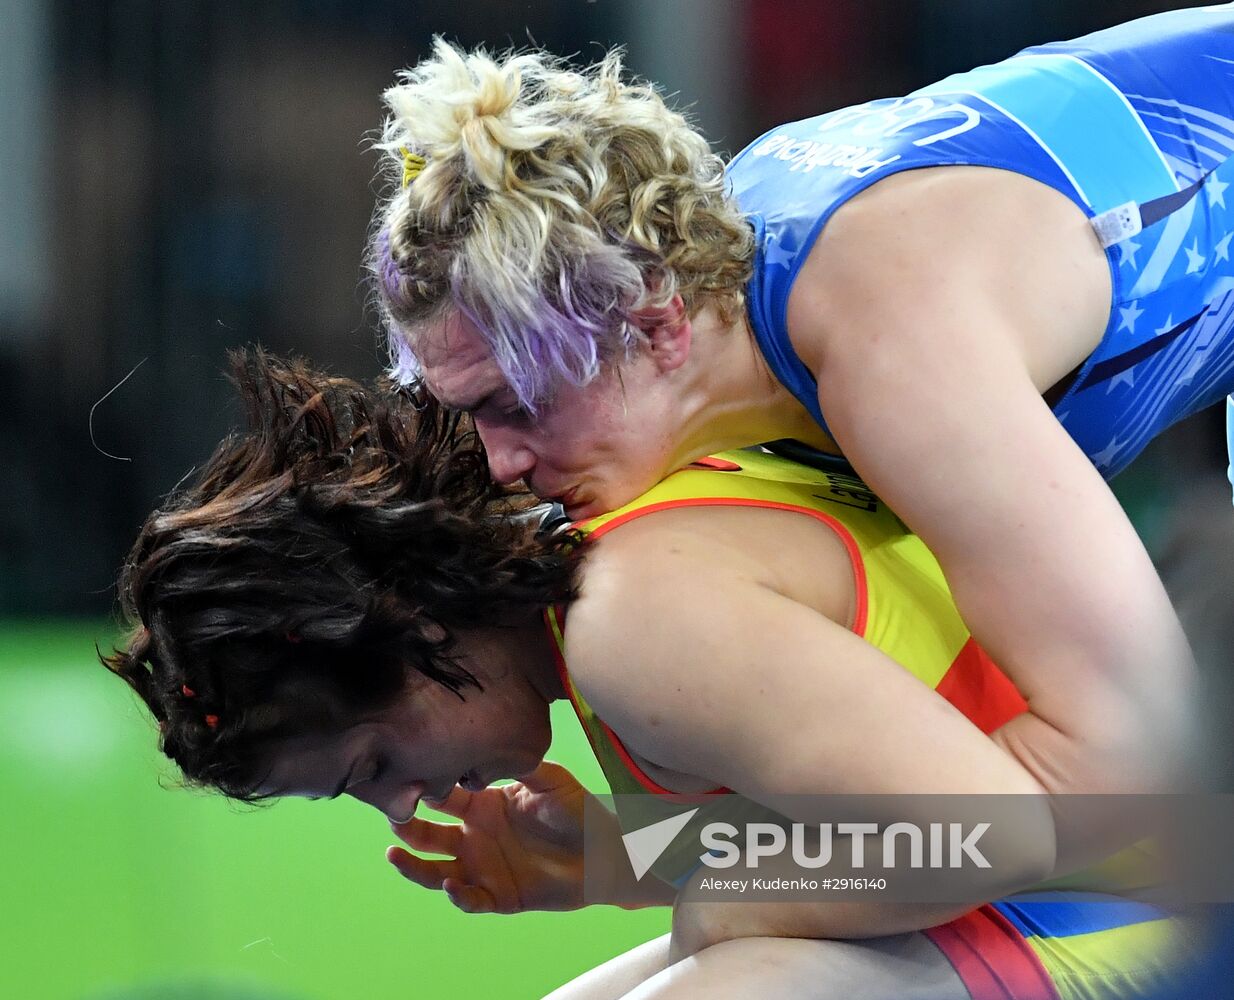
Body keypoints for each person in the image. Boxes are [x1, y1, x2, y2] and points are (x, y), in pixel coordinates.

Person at [103, 352, 1202, 1000]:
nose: (406, 802)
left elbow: (986, 837)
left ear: (406, 617)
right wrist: (616, 858)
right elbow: (885, 835)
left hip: (1148, 915)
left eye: (374, 762)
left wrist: (711, 895)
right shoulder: (619, 556)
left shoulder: (633, 621)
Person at [367, 7, 1234, 811]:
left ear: (652, 321)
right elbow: (945, 827)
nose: (500, 465)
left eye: (518, 403)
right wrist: (634, 863)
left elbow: (1130, 761)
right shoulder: (738, 308)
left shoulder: (889, 353)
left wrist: (679, 875)